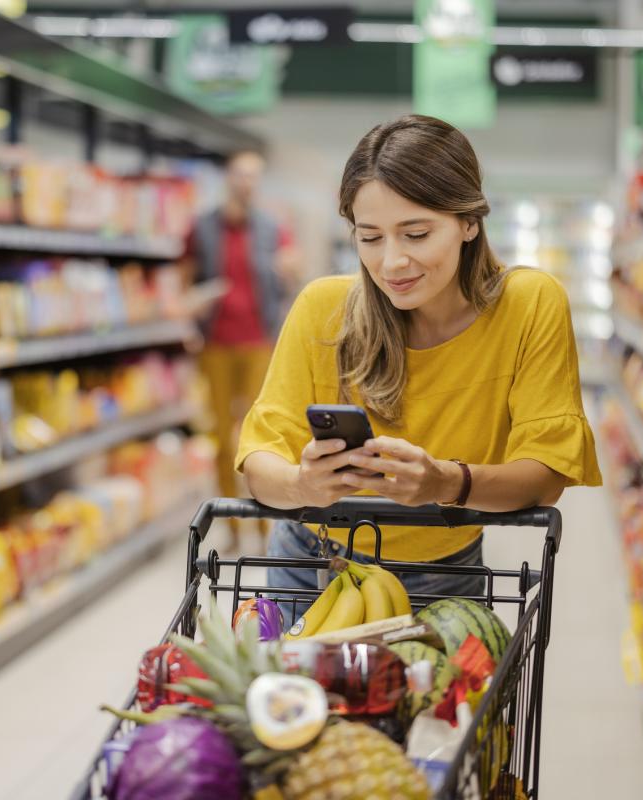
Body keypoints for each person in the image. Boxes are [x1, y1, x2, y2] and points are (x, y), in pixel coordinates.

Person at [234, 115, 602, 621]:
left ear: (469, 221)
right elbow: (259, 460)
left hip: (445, 571)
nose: (392, 263)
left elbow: (546, 475)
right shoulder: (323, 309)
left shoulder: (529, 305)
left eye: (416, 233)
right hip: (310, 563)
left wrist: (444, 483)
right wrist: (303, 485)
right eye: (371, 238)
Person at [186, 149, 300, 551]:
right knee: (220, 435)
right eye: (240, 175)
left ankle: (265, 526)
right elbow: (185, 278)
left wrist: (289, 270)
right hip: (215, 343)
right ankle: (231, 525)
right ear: (228, 178)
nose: (246, 182)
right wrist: (191, 305)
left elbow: (291, 271)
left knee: (261, 437)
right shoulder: (202, 227)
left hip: (258, 343)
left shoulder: (272, 228)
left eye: (254, 176)